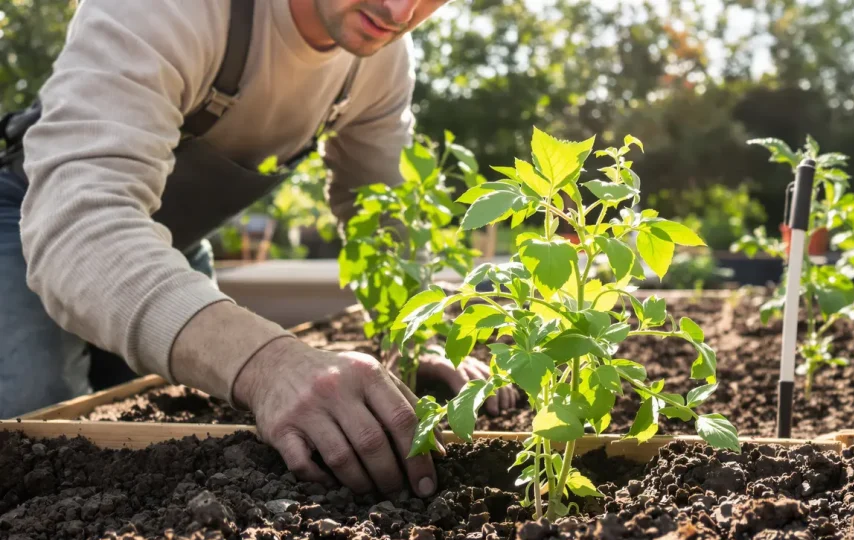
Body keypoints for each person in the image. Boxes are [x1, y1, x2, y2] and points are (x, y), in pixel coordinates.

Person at [0, 0, 516, 499]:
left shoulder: (378, 61)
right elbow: (78, 226)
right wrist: (267, 363)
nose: (399, 12)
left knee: (154, 434)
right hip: (32, 223)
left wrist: (415, 329)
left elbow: (382, 216)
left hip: (165, 251)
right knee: (35, 428)